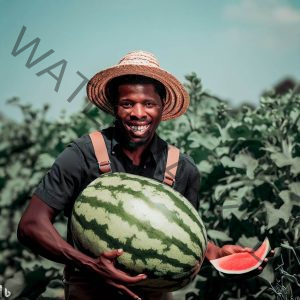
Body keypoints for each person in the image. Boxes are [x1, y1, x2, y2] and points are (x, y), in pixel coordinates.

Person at [17, 51, 270, 300]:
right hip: (90, 290)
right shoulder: (83, 155)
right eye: (127, 103)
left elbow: (179, 240)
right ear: (115, 107)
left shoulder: (182, 168)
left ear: (162, 107)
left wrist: (216, 254)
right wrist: (89, 264)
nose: (138, 113)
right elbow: (31, 225)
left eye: (149, 104)